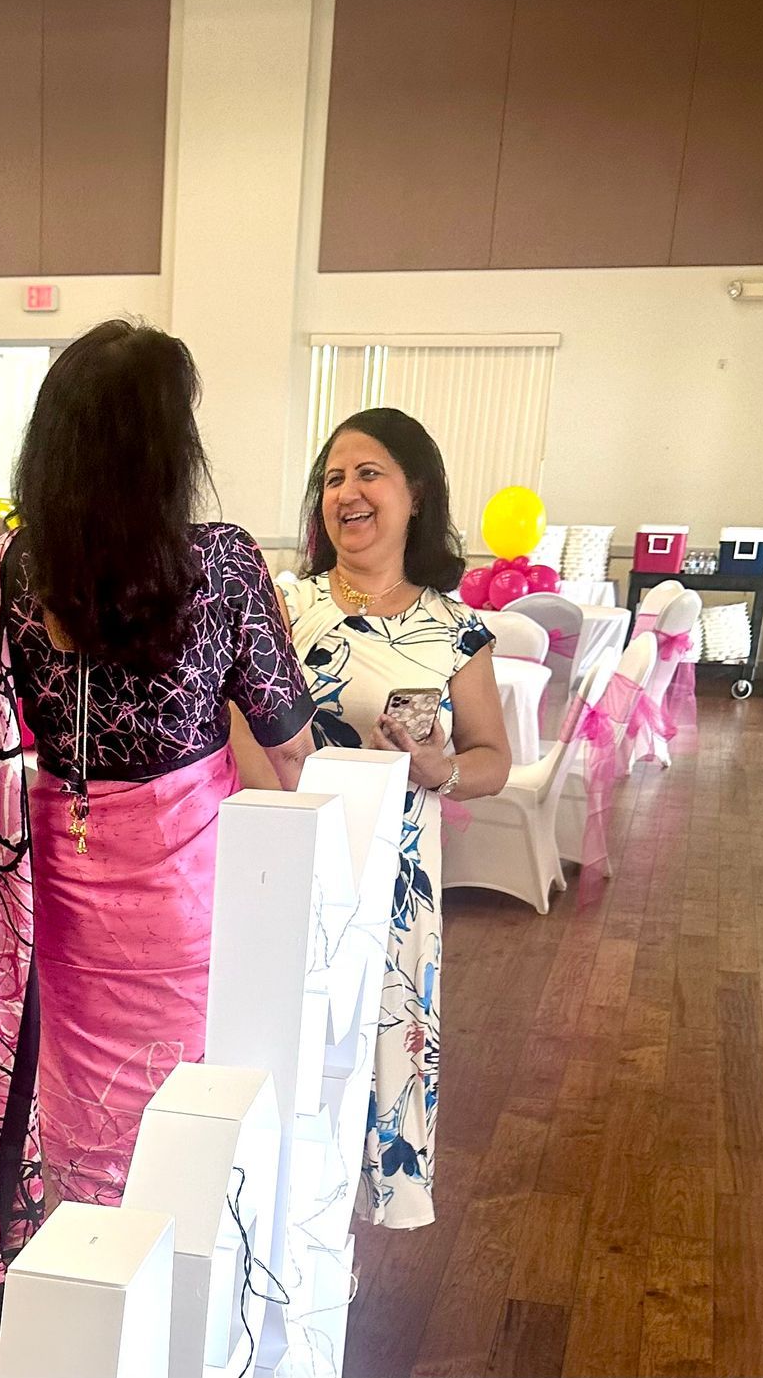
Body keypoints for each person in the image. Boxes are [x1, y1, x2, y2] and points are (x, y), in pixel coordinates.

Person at [0, 318, 316, 1303]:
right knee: (180, 1112)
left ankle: (92, 1302)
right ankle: (183, 1308)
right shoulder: (221, 564)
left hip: (55, 899)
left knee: (80, 1116)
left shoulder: (10, 576)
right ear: (165, 446)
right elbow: (290, 740)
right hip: (182, 902)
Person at [273, 406, 510, 1232]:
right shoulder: (281, 605)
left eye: (368, 472)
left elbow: (493, 758)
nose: (348, 492)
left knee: (377, 1050)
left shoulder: (453, 629)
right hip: (290, 862)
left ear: (416, 494)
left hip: (396, 878)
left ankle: (343, 1238)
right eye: (334, 477)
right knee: (289, 1049)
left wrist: (441, 768)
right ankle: (285, 1223)